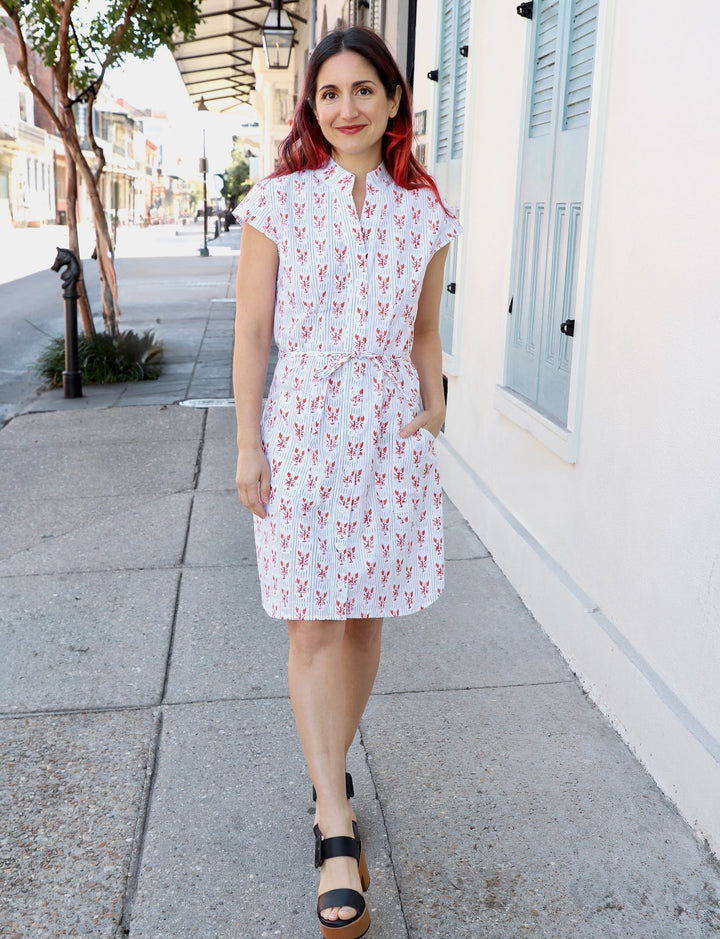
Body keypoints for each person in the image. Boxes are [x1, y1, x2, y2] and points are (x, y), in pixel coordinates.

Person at [233, 25, 460, 939]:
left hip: (389, 432)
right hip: (304, 427)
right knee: (311, 615)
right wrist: (250, 445)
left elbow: (423, 330)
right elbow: (253, 337)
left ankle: (330, 764)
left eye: (364, 90)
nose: (346, 108)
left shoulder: (427, 213)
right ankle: (334, 814)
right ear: (312, 108)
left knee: (363, 613)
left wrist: (435, 400)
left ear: (395, 100)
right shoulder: (278, 203)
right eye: (329, 94)